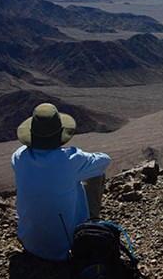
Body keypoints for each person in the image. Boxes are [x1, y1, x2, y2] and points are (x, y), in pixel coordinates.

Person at [11, 103, 111, 261]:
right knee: (93, 173)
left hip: (29, 244)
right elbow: (105, 160)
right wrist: (78, 158)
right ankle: (91, 222)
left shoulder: (18, 157)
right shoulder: (71, 159)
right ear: (60, 133)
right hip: (68, 247)